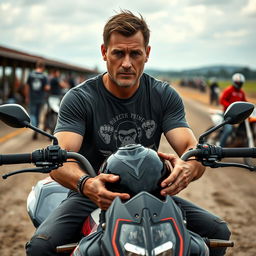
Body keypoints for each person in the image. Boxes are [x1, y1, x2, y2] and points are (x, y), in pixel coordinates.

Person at [26, 10, 230, 256]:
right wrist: (87, 184)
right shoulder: (80, 98)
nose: (126, 63)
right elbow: (61, 157)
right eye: (118, 53)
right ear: (104, 53)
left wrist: (187, 170)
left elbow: (190, 147)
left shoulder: (163, 95)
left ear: (147, 54)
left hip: (152, 195)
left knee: (218, 232)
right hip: (91, 195)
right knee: (40, 247)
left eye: (135, 53)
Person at [219, 73, 247, 146]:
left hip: (238, 115)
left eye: (240, 83)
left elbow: (245, 102)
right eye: (238, 83)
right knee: (228, 130)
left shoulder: (241, 92)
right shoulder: (229, 90)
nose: (239, 84)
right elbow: (222, 100)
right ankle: (219, 147)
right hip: (227, 114)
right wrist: (230, 106)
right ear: (234, 82)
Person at [25, 60, 49, 139]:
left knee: (32, 114)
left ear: (36, 66)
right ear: (43, 67)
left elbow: (27, 86)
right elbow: (46, 87)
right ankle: (36, 128)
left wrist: (27, 97)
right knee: (38, 114)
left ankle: (34, 127)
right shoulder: (44, 76)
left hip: (32, 98)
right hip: (40, 98)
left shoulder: (31, 74)